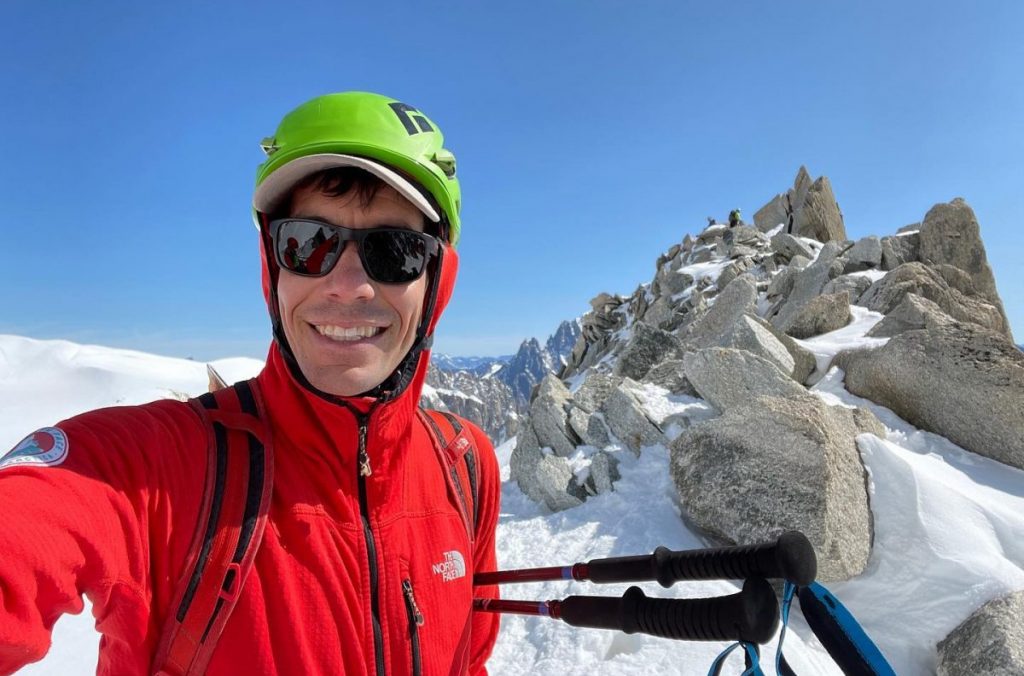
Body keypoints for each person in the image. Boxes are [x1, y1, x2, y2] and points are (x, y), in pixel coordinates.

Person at [0, 91, 501, 675]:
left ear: (437, 282)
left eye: (395, 252)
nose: (349, 286)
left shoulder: (465, 467)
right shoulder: (160, 468)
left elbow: (469, 660)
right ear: (273, 267)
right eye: (307, 243)